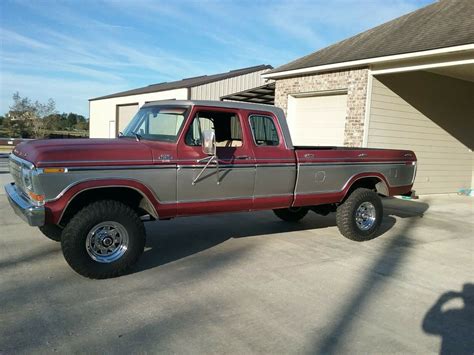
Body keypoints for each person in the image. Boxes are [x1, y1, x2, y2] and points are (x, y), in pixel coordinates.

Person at [422, 283, 474, 354]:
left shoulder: (452, 315)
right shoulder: (452, 315)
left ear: (463, 299)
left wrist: (440, 302)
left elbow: (427, 326)